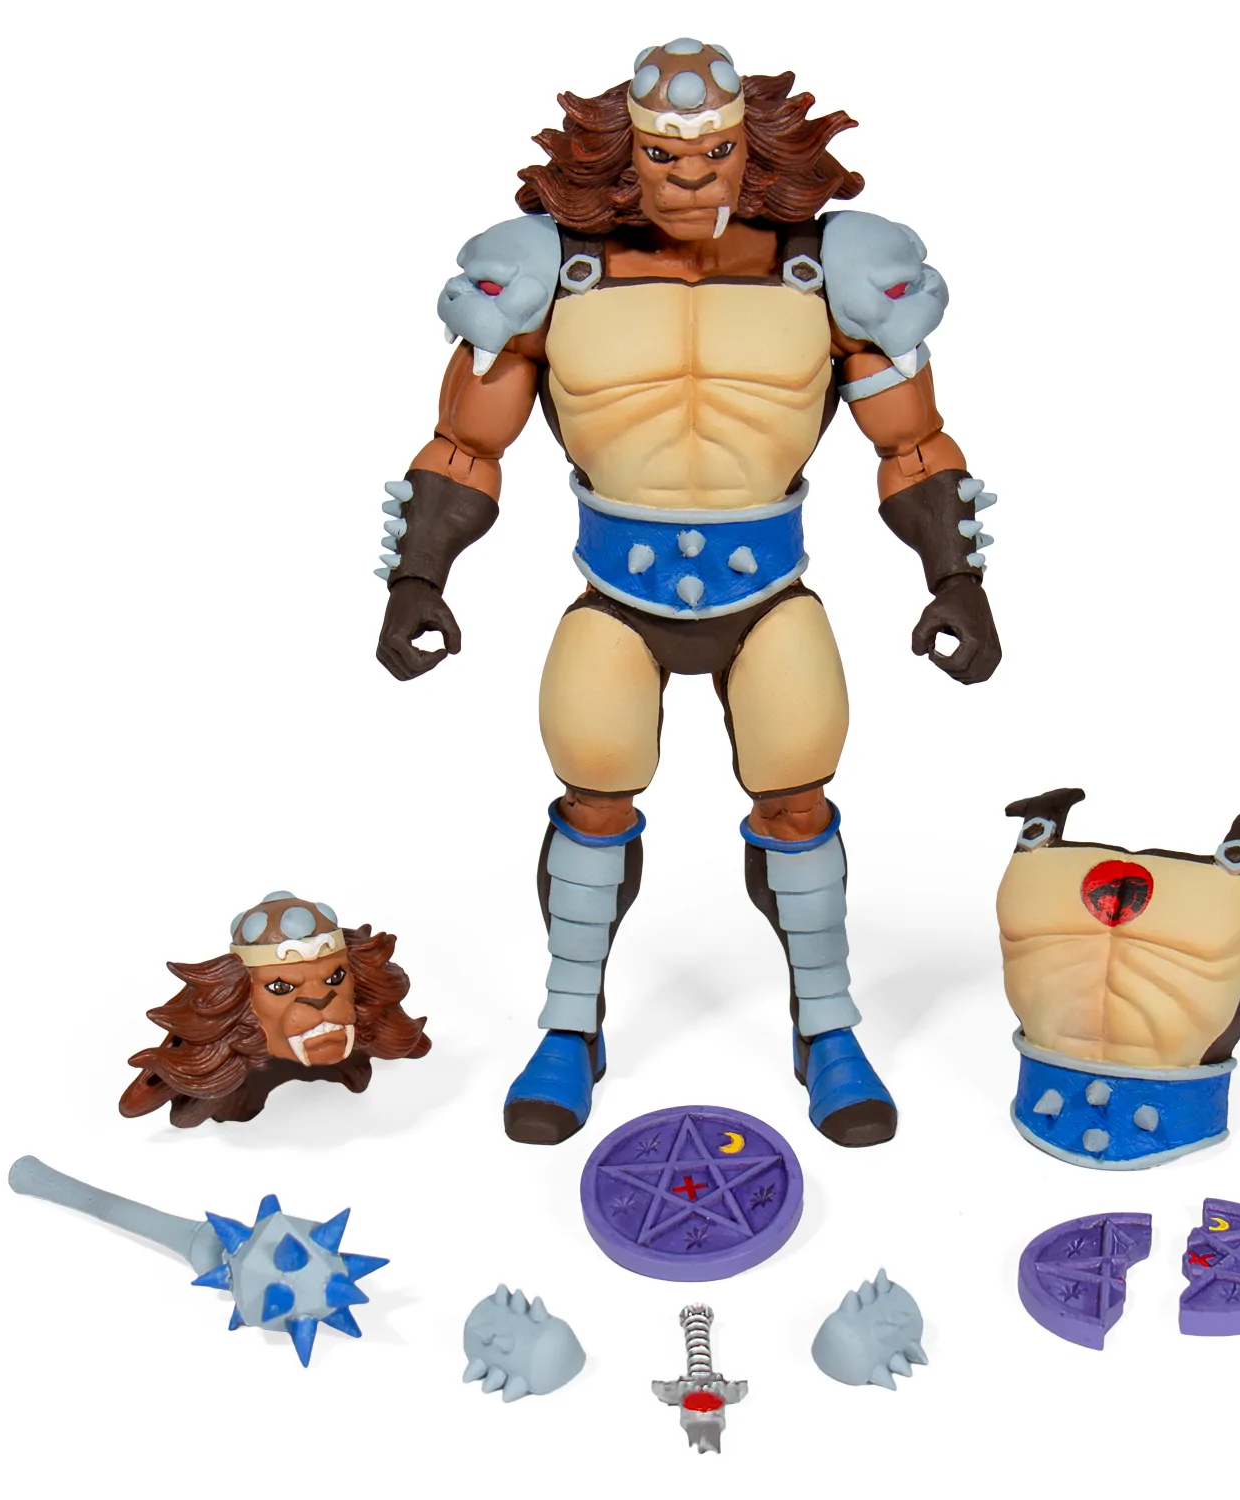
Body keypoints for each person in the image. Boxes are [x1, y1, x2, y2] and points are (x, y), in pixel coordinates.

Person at [374, 40, 1002, 1147]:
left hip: (772, 596)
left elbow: (911, 443)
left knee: (797, 802)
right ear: (628, 153)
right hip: (616, 596)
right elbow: (467, 443)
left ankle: (828, 1024)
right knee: (594, 801)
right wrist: (419, 574)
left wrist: (956, 578)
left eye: (715, 152)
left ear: (750, 150)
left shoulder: (829, 270)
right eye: (666, 155)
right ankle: (570, 1025)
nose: (692, 177)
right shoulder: (552, 271)